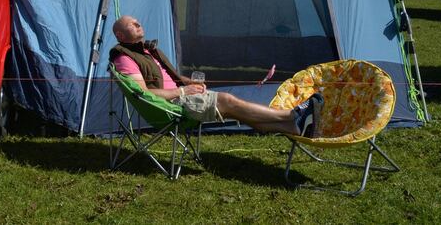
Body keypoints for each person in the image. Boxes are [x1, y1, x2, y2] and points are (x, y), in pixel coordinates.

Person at [110, 15, 322, 137]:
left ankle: (294, 128)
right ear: (120, 35)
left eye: (138, 22)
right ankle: (292, 117)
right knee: (228, 100)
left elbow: (167, 78)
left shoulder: (147, 51)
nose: (139, 25)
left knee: (239, 112)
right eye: (132, 24)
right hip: (172, 107)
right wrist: (183, 90)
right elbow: (144, 94)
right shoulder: (125, 58)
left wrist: (186, 82)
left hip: (181, 97)